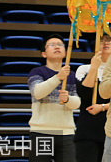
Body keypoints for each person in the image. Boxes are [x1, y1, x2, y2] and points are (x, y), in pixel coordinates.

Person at [28, 33, 81, 162]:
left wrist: (68, 99)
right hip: (42, 132)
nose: (57, 47)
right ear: (44, 54)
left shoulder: (72, 75)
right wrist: (58, 77)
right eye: (52, 45)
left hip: (66, 132)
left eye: (60, 45)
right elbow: (37, 92)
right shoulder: (37, 72)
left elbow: (77, 103)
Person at [75, 34, 111, 162]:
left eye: (110, 40)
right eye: (102, 40)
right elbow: (84, 94)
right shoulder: (84, 69)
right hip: (88, 130)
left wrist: (103, 107)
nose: (105, 43)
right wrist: (94, 67)